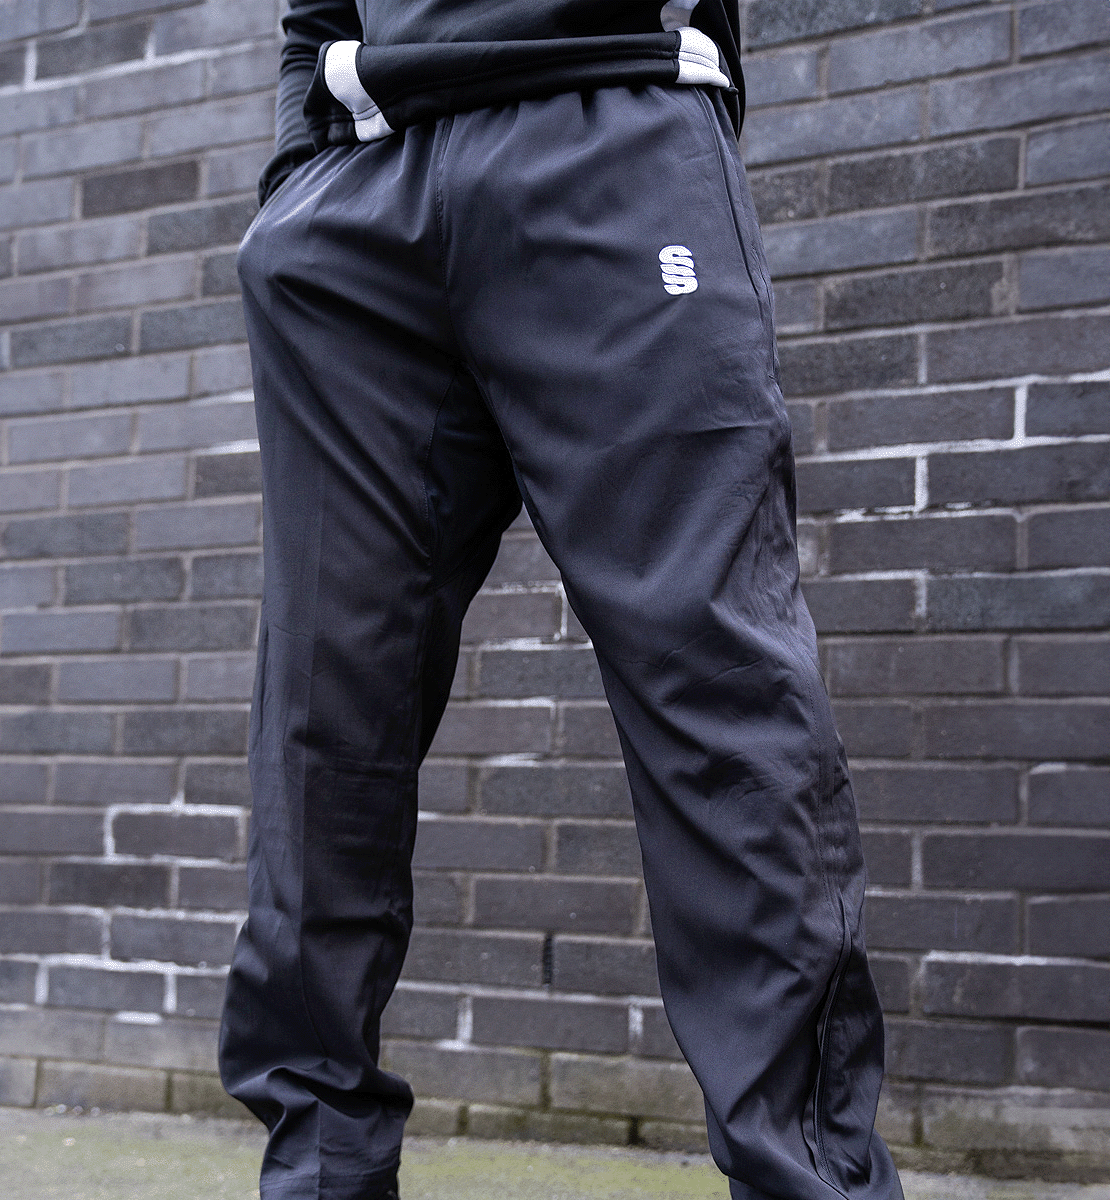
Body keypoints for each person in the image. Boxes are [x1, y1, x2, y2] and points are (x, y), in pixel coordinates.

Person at [218, 3, 906, 1199]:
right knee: (322, 725)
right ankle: (319, 1176)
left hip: (610, 129)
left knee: (719, 695)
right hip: (354, 202)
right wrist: (296, 166)